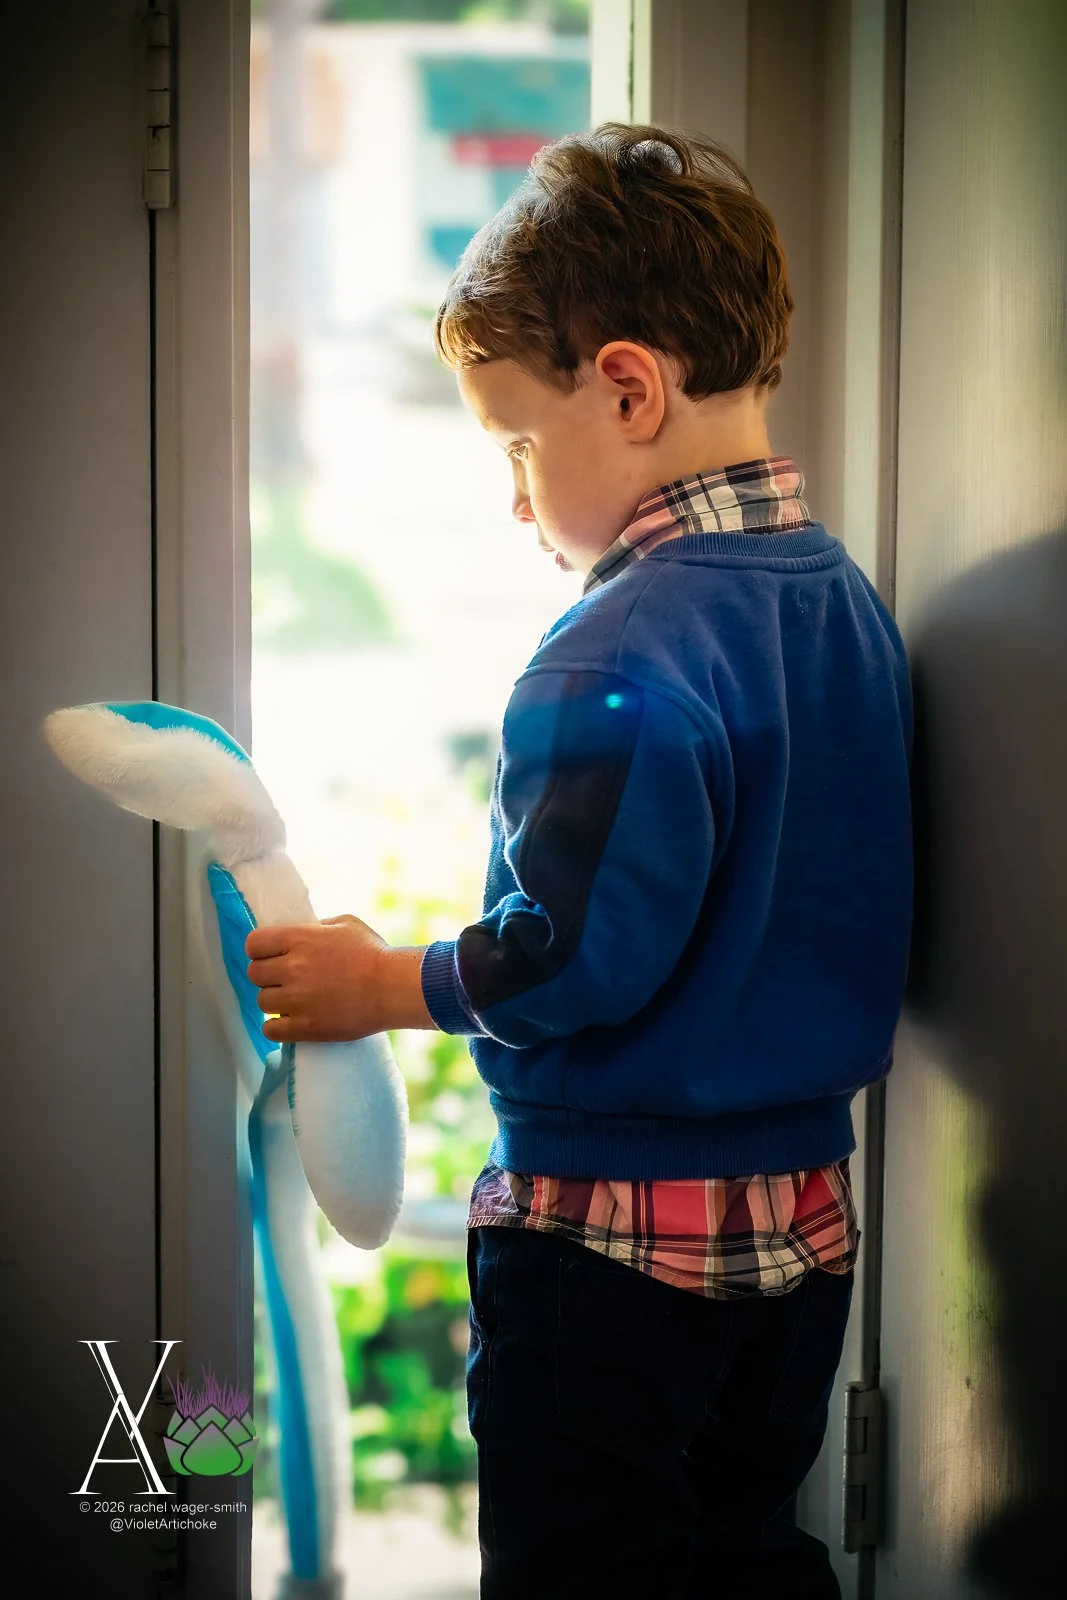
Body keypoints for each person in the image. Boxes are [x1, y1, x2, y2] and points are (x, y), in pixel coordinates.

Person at [245, 122, 913, 1600]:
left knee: (579, 1570)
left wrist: (379, 981)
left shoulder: (613, 646)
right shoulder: (841, 604)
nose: (512, 494)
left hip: (610, 1241)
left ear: (625, 387)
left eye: (513, 443)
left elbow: (562, 955)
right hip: (803, 1220)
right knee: (744, 1555)